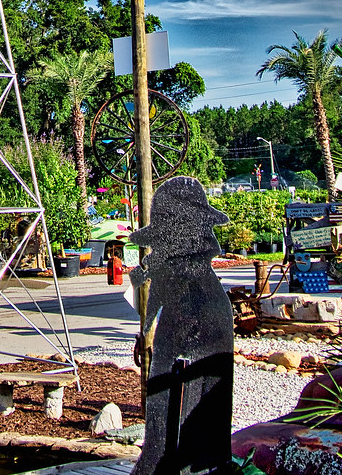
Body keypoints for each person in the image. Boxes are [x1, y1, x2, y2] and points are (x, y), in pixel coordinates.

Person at [129, 177, 233, 475]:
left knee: (189, 426)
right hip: (175, 343)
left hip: (195, 348)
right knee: (162, 423)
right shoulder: (174, 270)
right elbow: (158, 296)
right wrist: (145, 331)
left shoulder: (195, 282)